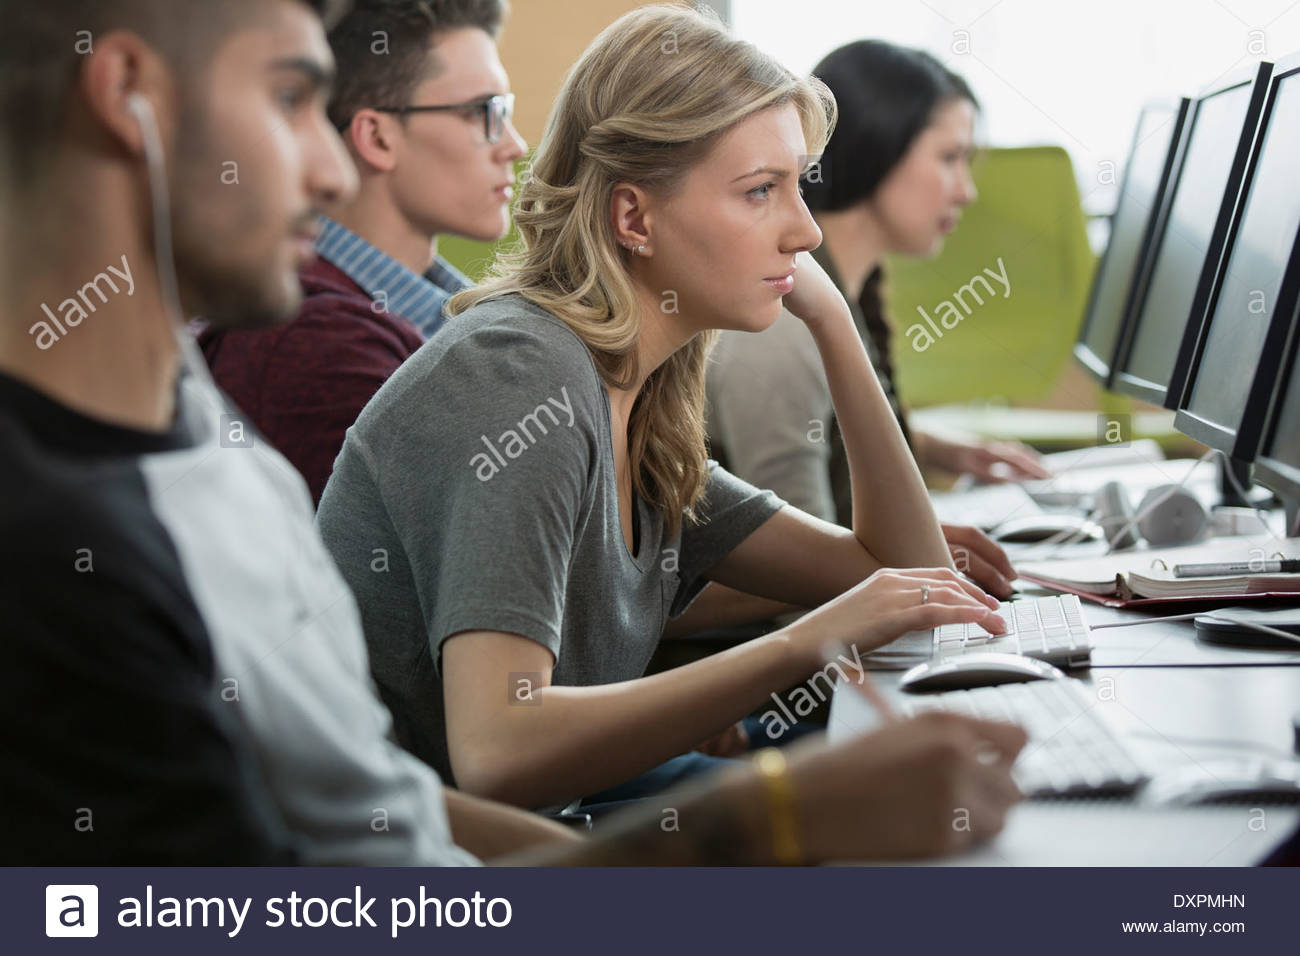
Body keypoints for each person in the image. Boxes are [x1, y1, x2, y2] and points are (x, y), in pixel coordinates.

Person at [0, 0, 1023, 866]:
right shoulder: (520, 372)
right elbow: (471, 765)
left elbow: (384, 801)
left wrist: (832, 318)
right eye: (289, 99)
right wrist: (754, 817)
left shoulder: (206, 444)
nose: (328, 166)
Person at [316, 4, 1017, 813]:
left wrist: (834, 326)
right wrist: (803, 642)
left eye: (799, 188)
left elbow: (906, 581)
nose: (806, 232)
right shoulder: (520, 375)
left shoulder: (639, 401)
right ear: (633, 217)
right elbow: (497, 751)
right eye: (761, 192)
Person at [707, 40, 1049, 597]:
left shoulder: (840, 294)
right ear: (878, 148)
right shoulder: (786, 323)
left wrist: (935, 446)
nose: (967, 190)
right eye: (949, 158)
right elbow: (799, 588)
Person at [200, 0, 526, 505]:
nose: (515, 144)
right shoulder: (318, 343)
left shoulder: (456, 322)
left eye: (505, 111)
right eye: (483, 113)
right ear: (376, 137)